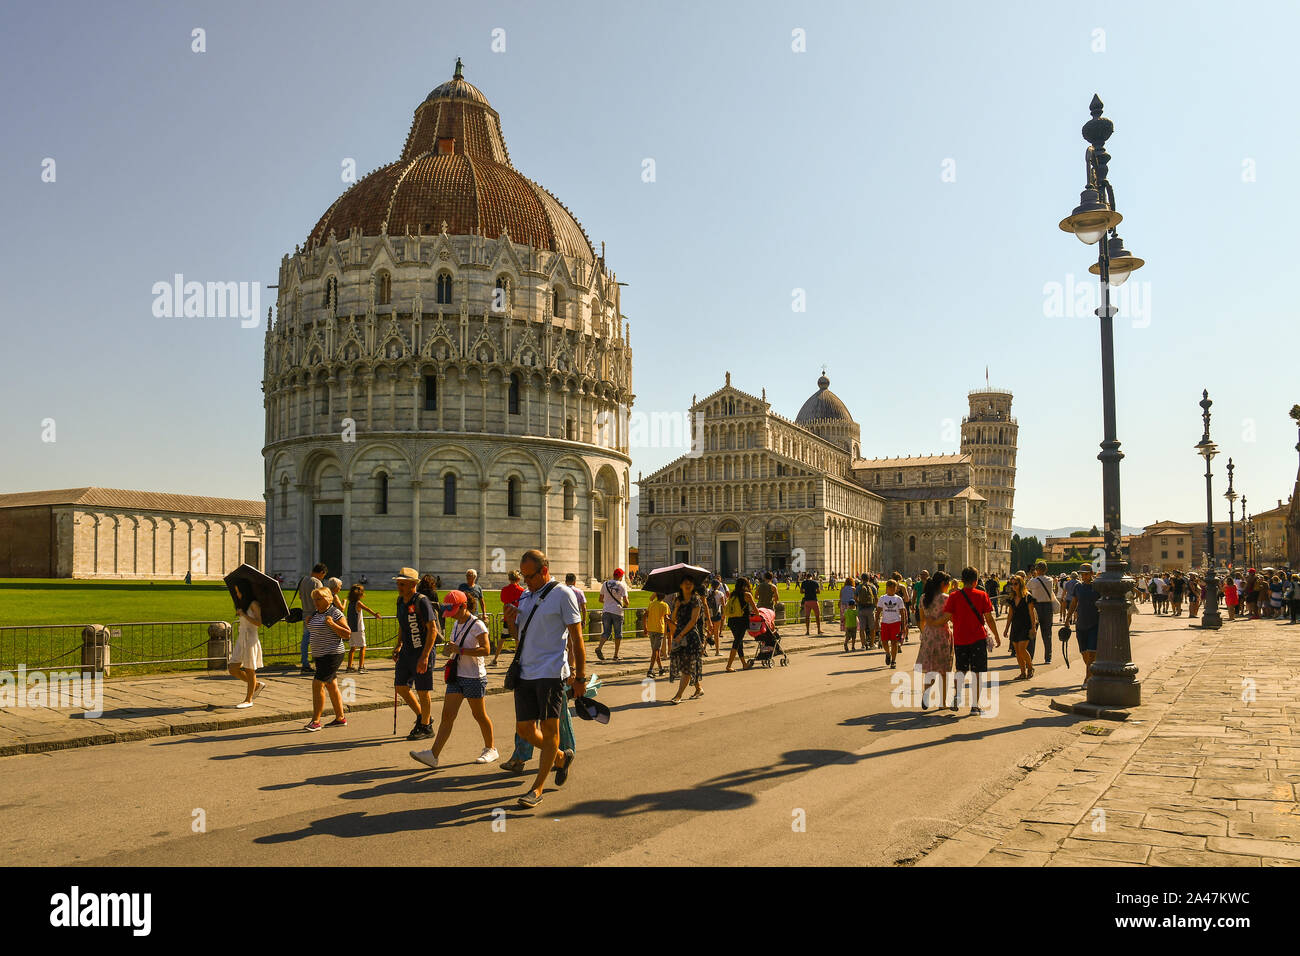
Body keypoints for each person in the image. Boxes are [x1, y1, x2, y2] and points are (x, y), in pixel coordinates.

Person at [504, 549, 585, 809]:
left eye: (529, 576)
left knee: (550, 731)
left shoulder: (563, 594)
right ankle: (560, 757)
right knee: (525, 730)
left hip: (550, 673)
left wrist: (579, 675)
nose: (524, 582)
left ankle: (537, 788)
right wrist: (511, 622)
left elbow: (577, 638)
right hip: (526, 673)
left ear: (544, 571)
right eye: (522, 576)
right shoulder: (527, 596)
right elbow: (521, 641)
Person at [410, 590, 497, 768]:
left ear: (464, 606)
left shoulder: (477, 625)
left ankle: (491, 749)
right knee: (447, 716)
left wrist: (461, 651)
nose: (450, 617)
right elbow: (456, 648)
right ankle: (433, 755)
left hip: (474, 677)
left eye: (453, 612)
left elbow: (487, 650)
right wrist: (451, 649)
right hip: (457, 676)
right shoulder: (457, 624)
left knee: (479, 715)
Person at [943, 567, 999, 715]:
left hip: (960, 638)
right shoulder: (982, 595)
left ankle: (957, 696)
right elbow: (989, 618)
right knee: (978, 673)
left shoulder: (953, 596)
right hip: (978, 639)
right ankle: (974, 705)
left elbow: (946, 617)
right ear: (976, 581)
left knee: (960, 670)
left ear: (961, 581)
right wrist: (997, 636)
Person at [393, 567, 438, 741]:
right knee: (401, 687)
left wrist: (425, 656)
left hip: (422, 651)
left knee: (423, 690)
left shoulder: (422, 601)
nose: (399, 587)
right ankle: (423, 716)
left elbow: (432, 629)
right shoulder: (400, 601)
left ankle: (426, 727)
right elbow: (402, 625)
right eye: (398, 583)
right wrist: (398, 645)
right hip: (406, 652)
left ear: (413, 584)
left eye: (402, 584)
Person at [304, 586, 350, 731]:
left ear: (329, 598)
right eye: (314, 599)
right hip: (320, 655)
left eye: (319, 598)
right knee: (331, 685)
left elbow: (347, 633)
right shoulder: (316, 613)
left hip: (332, 654)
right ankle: (340, 717)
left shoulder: (334, 612)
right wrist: (308, 622)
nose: (316, 602)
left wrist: (332, 624)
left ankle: (316, 721)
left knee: (318, 684)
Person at [916, 571, 954, 709]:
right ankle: (942, 703)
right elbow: (951, 618)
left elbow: (921, 619)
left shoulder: (923, 597)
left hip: (928, 634)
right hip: (942, 634)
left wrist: (923, 632)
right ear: (944, 584)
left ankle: (926, 694)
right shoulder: (946, 598)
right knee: (944, 671)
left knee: (930, 669)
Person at [667, 575, 707, 703]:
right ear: (680, 586)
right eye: (685, 583)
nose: (688, 584)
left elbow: (693, 621)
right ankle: (698, 688)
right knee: (685, 665)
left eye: (690, 583)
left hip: (690, 636)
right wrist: (677, 607)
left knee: (687, 666)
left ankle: (678, 695)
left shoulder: (696, 600)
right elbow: (673, 620)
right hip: (679, 634)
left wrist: (681, 635)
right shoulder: (678, 599)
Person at [228, 583, 267, 708]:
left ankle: (249, 699)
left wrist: (244, 615)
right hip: (241, 637)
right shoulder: (242, 605)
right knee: (233, 668)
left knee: (250, 669)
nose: (237, 594)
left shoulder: (254, 604)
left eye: (238, 591)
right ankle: (255, 685)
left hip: (250, 638)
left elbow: (259, 623)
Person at [1002, 574, 1038, 681]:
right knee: (1017, 651)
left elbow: (1032, 614)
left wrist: (1033, 627)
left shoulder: (1027, 597)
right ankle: (1022, 672)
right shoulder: (1012, 598)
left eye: (1015, 584)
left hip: (1025, 626)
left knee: (1022, 649)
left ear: (1021, 584)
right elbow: (1010, 615)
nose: (1013, 586)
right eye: (1012, 584)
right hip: (1015, 626)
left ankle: (1030, 667)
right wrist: (1006, 628)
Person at [1070, 564, 1101, 686]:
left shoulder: (1097, 587)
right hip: (1080, 624)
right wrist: (1068, 618)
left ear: (1092, 574)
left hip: (1094, 623)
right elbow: (1074, 602)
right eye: (1082, 574)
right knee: (1084, 653)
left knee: (1091, 653)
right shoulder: (1078, 587)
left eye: (1086, 574)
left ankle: (1087, 679)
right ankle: (1092, 672)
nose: (1084, 576)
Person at [296, 563, 327, 674]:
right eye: (323, 575)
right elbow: (320, 598)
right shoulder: (316, 582)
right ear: (321, 573)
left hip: (305, 613)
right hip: (315, 614)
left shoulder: (303, 580)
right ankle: (318, 662)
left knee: (305, 640)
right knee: (318, 640)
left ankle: (305, 662)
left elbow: (300, 596)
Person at [724, 576, 759, 672]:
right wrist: (757, 614)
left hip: (731, 620)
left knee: (739, 642)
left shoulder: (732, 594)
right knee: (737, 642)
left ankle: (744, 664)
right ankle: (728, 665)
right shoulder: (747, 595)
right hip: (742, 621)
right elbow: (755, 610)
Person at [595, 568, 630, 662]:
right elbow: (626, 601)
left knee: (606, 632)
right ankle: (615, 655)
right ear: (621, 576)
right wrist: (625, 605)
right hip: (617, 612)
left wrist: (608, 603)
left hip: (606, 610)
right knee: (618, 634)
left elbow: (600, 599)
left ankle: (599, 648)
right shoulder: (622, 585)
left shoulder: (605, 584)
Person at [492, 569, 525, 666]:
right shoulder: (522, 591)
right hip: (518, 618)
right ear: (518, 579)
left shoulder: (505, 589)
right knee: (517, 640)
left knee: (502, 639)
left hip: (508, 617)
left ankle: (495, 658)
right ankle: (517, 660)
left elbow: (504, 602)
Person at [1026, 560, 1057, 665]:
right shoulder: (1050, 580)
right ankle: (1048, 657)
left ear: (1036, 570)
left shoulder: (1033, 581)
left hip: (1036, 607)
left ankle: (1030, 656)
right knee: (1047, 633)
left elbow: (1027, 588)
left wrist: (1033, 576)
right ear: (1046, 569)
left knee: (1033, 632)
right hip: (1047, 607)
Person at [345, 584, 380, 673]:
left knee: (352, 648)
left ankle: (349, 666)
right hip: (359, 628)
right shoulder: (358, 603)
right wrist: (375, 614)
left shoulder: (350, 603)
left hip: (351, 628)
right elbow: (367, 609)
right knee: (363, 647)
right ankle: (361, 666)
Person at [875, 579, 908, 669]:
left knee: (894, 642)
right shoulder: (882, 598)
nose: (892, 589)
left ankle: (893, 661)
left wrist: (903, 625)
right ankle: (887, 653)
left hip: (895, 623)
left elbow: (902, 613)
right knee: (884, 641)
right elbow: (878, 612)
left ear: (896, 589)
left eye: (894, 588)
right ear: (887, 588)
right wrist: (876, 623)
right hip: (885, 622)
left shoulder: (898, 599)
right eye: (890, 588)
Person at [645, 592, 670, 678]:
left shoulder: (651, 604)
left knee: (656, 651)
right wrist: (674, 623)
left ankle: (660, 668)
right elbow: (666, 618)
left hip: (651, 629)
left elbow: (645, 615)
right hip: (659, 629)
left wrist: (645, 627)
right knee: (655, 651)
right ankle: (650, 670)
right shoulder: (664, 605)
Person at [856, 573, 878, 649]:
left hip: (861, 609)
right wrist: (875, 606)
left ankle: (863, 645)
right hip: (870, 609)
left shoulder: (859, 587)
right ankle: (872, 644)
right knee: (872, 628)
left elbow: (855, 597)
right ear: (869, 578)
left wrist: (858, 603)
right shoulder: (872, 586)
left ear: (861, 579)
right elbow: (876, 598)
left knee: (862, 628)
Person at [840, 576, 858, 651]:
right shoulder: (853, 589)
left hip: (843, 604)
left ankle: (845, 630)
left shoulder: (843, 588)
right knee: (852, 617)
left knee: (845, 618)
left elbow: (840, 597)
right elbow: (855, 597)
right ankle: (853, 645)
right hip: (850, 604)